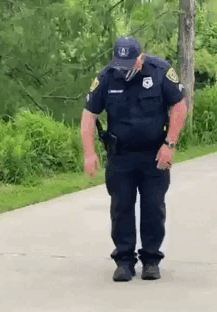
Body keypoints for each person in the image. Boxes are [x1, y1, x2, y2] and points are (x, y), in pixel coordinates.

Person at [80, 36, 188, 282]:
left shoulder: (160, 71)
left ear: (141, 58)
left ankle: (151, 260)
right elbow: (89, 116)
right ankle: (124, 261)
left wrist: (170, 144)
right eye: (121, 63)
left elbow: (180, 105)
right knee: (121, 208)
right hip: (121, 156)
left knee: (153, 207)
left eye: (130, 62)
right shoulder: (107, 77)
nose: (125, 68)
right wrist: (89, 152)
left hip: (154, 154)